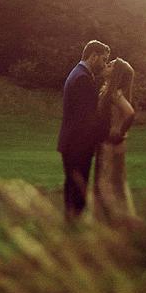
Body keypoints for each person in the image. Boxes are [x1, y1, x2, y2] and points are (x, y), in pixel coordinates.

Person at [57, 40, 110, 221]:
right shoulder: (82, 79)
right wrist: (106, 135)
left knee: (72, 186)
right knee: (78, 188)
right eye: (103, 60)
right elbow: (87, 118)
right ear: (93, 56)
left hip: (71, 142)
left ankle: (70, 224)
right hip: (78, 145)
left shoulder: (78, 74)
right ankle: (74, 226)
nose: (104, 64)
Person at [92, 58, 141, 227]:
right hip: (111, 143)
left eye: (111, 65)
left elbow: (129, 113)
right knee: (116, 183)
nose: (106, 65)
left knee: (105, 183)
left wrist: (119, 131)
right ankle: (118, 221)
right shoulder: (107, 90)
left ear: (117, 75)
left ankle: (111, 222)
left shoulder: (114, 93)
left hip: (110, 144)